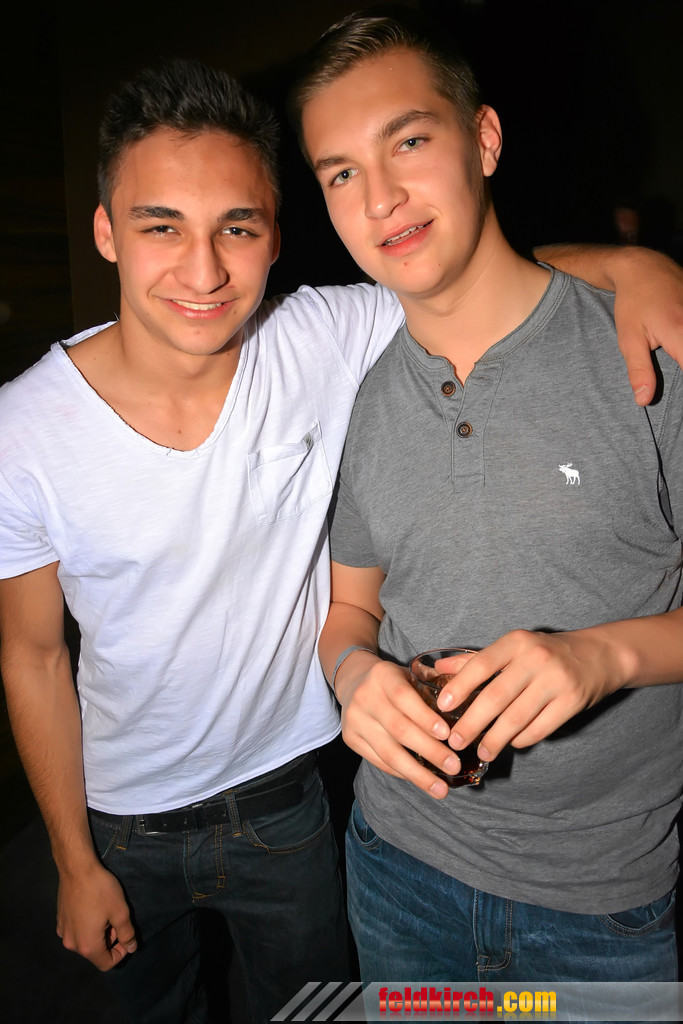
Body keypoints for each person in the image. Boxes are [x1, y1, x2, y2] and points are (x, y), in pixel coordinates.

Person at [0, 52, 681, 1024]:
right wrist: (72, 858)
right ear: (107, 231)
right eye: (161, 227)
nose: (203, 270)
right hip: (126, 816)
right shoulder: (23, 429)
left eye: (237, 228)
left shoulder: (322, 336)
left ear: (276, 236)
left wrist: (630, 266)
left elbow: (469, 277)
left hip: (293, 803)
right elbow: (31, 655)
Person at [294, 8, 683, 984]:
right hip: (392, 868)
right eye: (340, 174)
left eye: (407, 142)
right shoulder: (362, 399)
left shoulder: (647, 352)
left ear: (483, 139)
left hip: (601, 906)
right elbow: (350, 610)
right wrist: (352, 676)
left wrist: (604, 656)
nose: (379, 198)